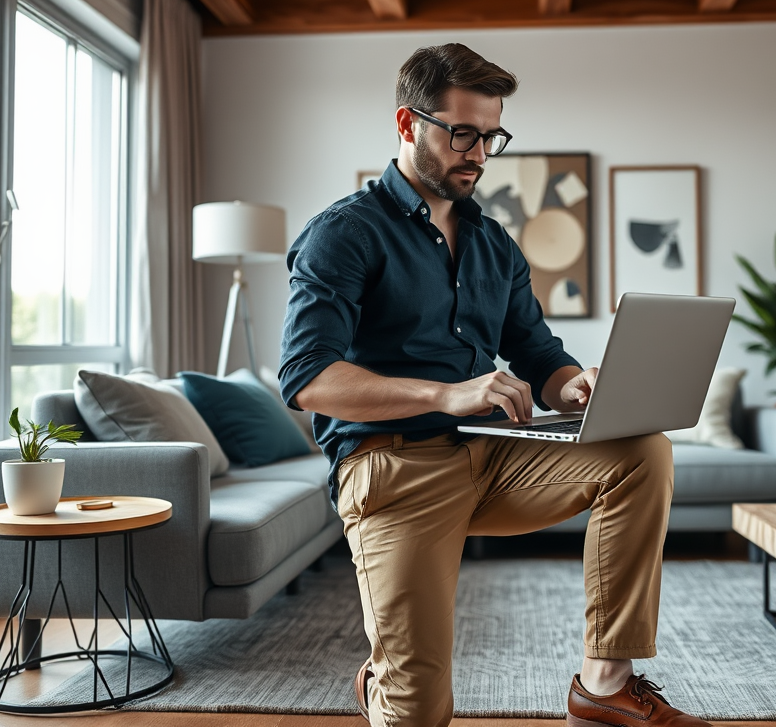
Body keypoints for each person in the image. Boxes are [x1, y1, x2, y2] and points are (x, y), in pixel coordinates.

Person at [279, 43, 709, 727]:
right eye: (462, 133)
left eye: (490, 137)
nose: (477, 153)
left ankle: (604, 683)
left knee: (639, 451)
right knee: (418, 710)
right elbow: (308, 379)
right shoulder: (344, 234)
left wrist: (574, 388)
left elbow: (537, 352)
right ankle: (389, 673)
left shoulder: (493, 242)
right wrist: (446, 394)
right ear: (406, 122)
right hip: (393, 468)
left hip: (492, 455)